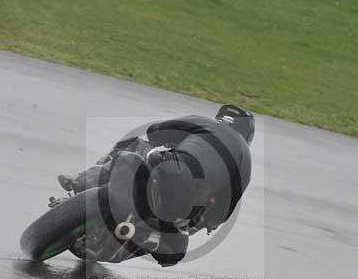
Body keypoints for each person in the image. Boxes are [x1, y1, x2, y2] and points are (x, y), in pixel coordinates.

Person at [58, 104, 254, 266]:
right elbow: (222, 212)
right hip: (183, 208)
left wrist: (172, 141)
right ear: (247, 134)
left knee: (134, 146)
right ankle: (146, 238)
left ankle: (82, 180)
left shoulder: (204, 122)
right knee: (175, 254)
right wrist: (203, 223)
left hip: (163, 172)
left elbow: (155, 131)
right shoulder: (245, 158)